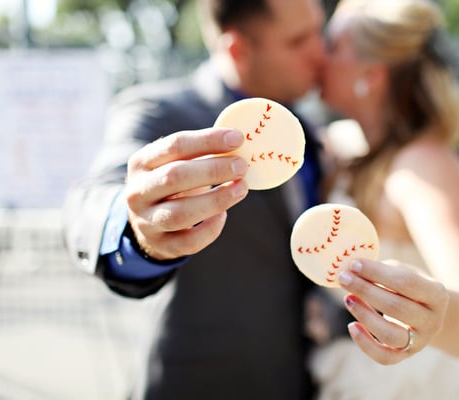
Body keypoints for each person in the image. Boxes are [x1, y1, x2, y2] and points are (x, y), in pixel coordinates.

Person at [63, 0, 327, 398]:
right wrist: (137, 229)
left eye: (318, 32)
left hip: (295, 381)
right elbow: (94, 198)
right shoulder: (161, 114)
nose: (319, 52)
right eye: (298, 41)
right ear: (237, 49)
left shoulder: (307, 133)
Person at [303, 0, 459, 398]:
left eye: (332, 44)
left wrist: (432, 317)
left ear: (371, 74)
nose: (317, 52)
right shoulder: (348, 146)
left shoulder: (423, 166)